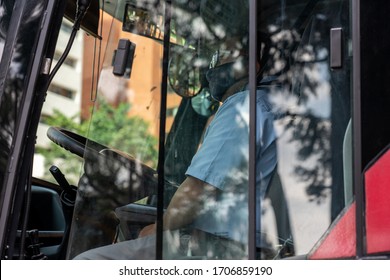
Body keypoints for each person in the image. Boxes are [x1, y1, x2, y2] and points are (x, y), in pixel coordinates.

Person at [74, 1, 278, 260]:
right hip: (241, 244)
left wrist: (159, 229)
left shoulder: (245, 106)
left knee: (87, 263)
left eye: (223, 56)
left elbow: (198, 189)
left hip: (223, 249)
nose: (212, 67)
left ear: (253, 63)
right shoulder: (270, 105)